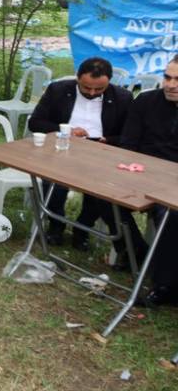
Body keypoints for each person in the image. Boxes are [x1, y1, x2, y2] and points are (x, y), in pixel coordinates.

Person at [28, 57, 136, 254]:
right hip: (63, 145)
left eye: (99, 89)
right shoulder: (58, 90)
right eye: (86, 88)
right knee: (53, 182)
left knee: (102, 189)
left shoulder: (123, 98)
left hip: (101, 149)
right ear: (78, 78)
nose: (92, 93)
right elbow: (35, 122)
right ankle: (56, 224)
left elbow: (130, 135)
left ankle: (83, 227)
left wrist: (108, 140)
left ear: (109, 82)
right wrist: (66, 131)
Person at [120, 55, 178, 305]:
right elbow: (127, 144)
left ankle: (164, 285)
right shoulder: (145, 101)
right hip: (140, 172)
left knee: (171, 214)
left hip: (173, 183)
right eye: (167, 77)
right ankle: (136, 251)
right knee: (99, 193)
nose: (170, 84)